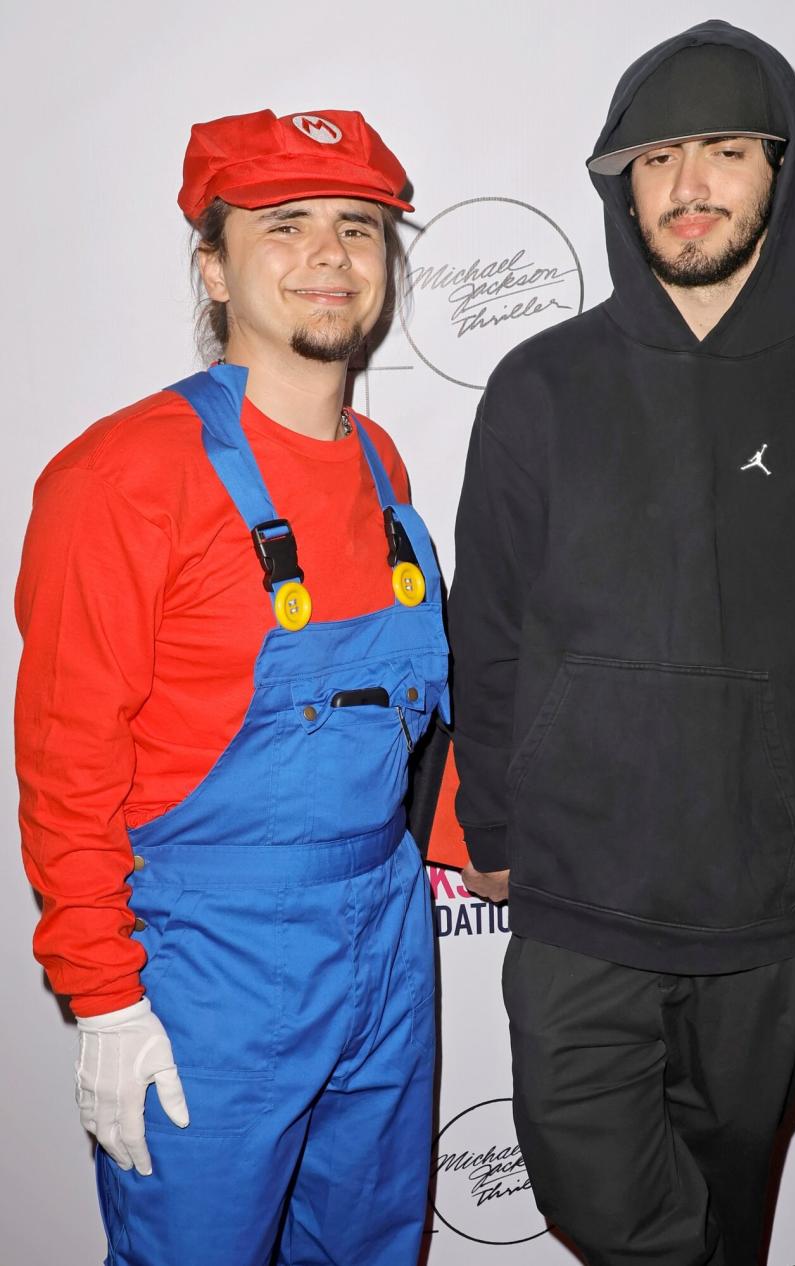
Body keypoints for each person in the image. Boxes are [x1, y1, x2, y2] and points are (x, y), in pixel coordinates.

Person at [449, 21, 795, 1265]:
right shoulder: (537, 388)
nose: (690, 184)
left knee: (733, 1224)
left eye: (724, 149)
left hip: (775, 930)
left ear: (782, 170)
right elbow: (486, 628)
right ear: (623, 183)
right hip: (578, 915)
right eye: (657, 157)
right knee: (621, 1216)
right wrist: (493, 831)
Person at [16, 107, 448, 1266]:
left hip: (389, 936)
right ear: (213, 265)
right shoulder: (120, 476)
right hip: (213, 962)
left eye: (357, 228)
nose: (328, 256)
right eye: (285, 225)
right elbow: (69, 761)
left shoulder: (382, 462)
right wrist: (104, 995)